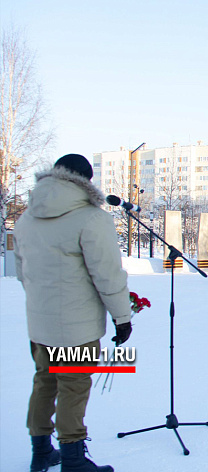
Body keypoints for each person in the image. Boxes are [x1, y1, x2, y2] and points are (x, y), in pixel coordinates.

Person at [14, 154, 127, 471]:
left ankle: (41, 453)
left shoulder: (26, 218)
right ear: (86, 181)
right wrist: (122, 317)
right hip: (77, 329)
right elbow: (107, 275)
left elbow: (24, 273)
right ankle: (74, 460)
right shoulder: (92, 218)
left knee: (44, 383)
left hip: (40, 324)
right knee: (73, 388)